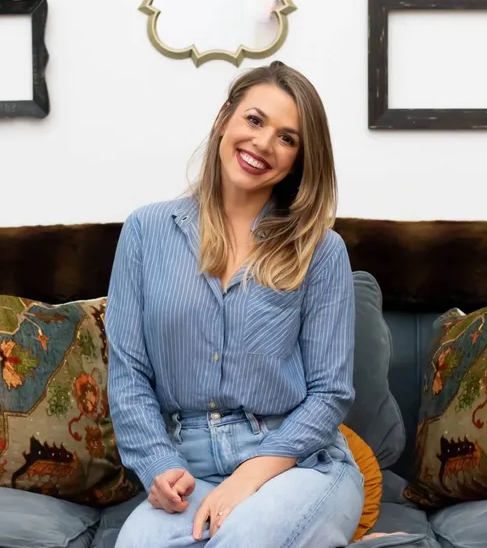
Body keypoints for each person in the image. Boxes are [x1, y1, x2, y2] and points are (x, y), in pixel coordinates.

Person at [106, 61, 365, 548]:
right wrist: (159, 465)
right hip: (189, 468)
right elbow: (129, 374)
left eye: (288, 138)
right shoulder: (145, 231)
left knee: (244, 539)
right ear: (225, 118)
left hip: (295, 463)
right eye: (254, 120)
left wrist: (250, 476)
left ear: (299, 160)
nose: (264, 143)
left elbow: (331, 392)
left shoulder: (321, 250)